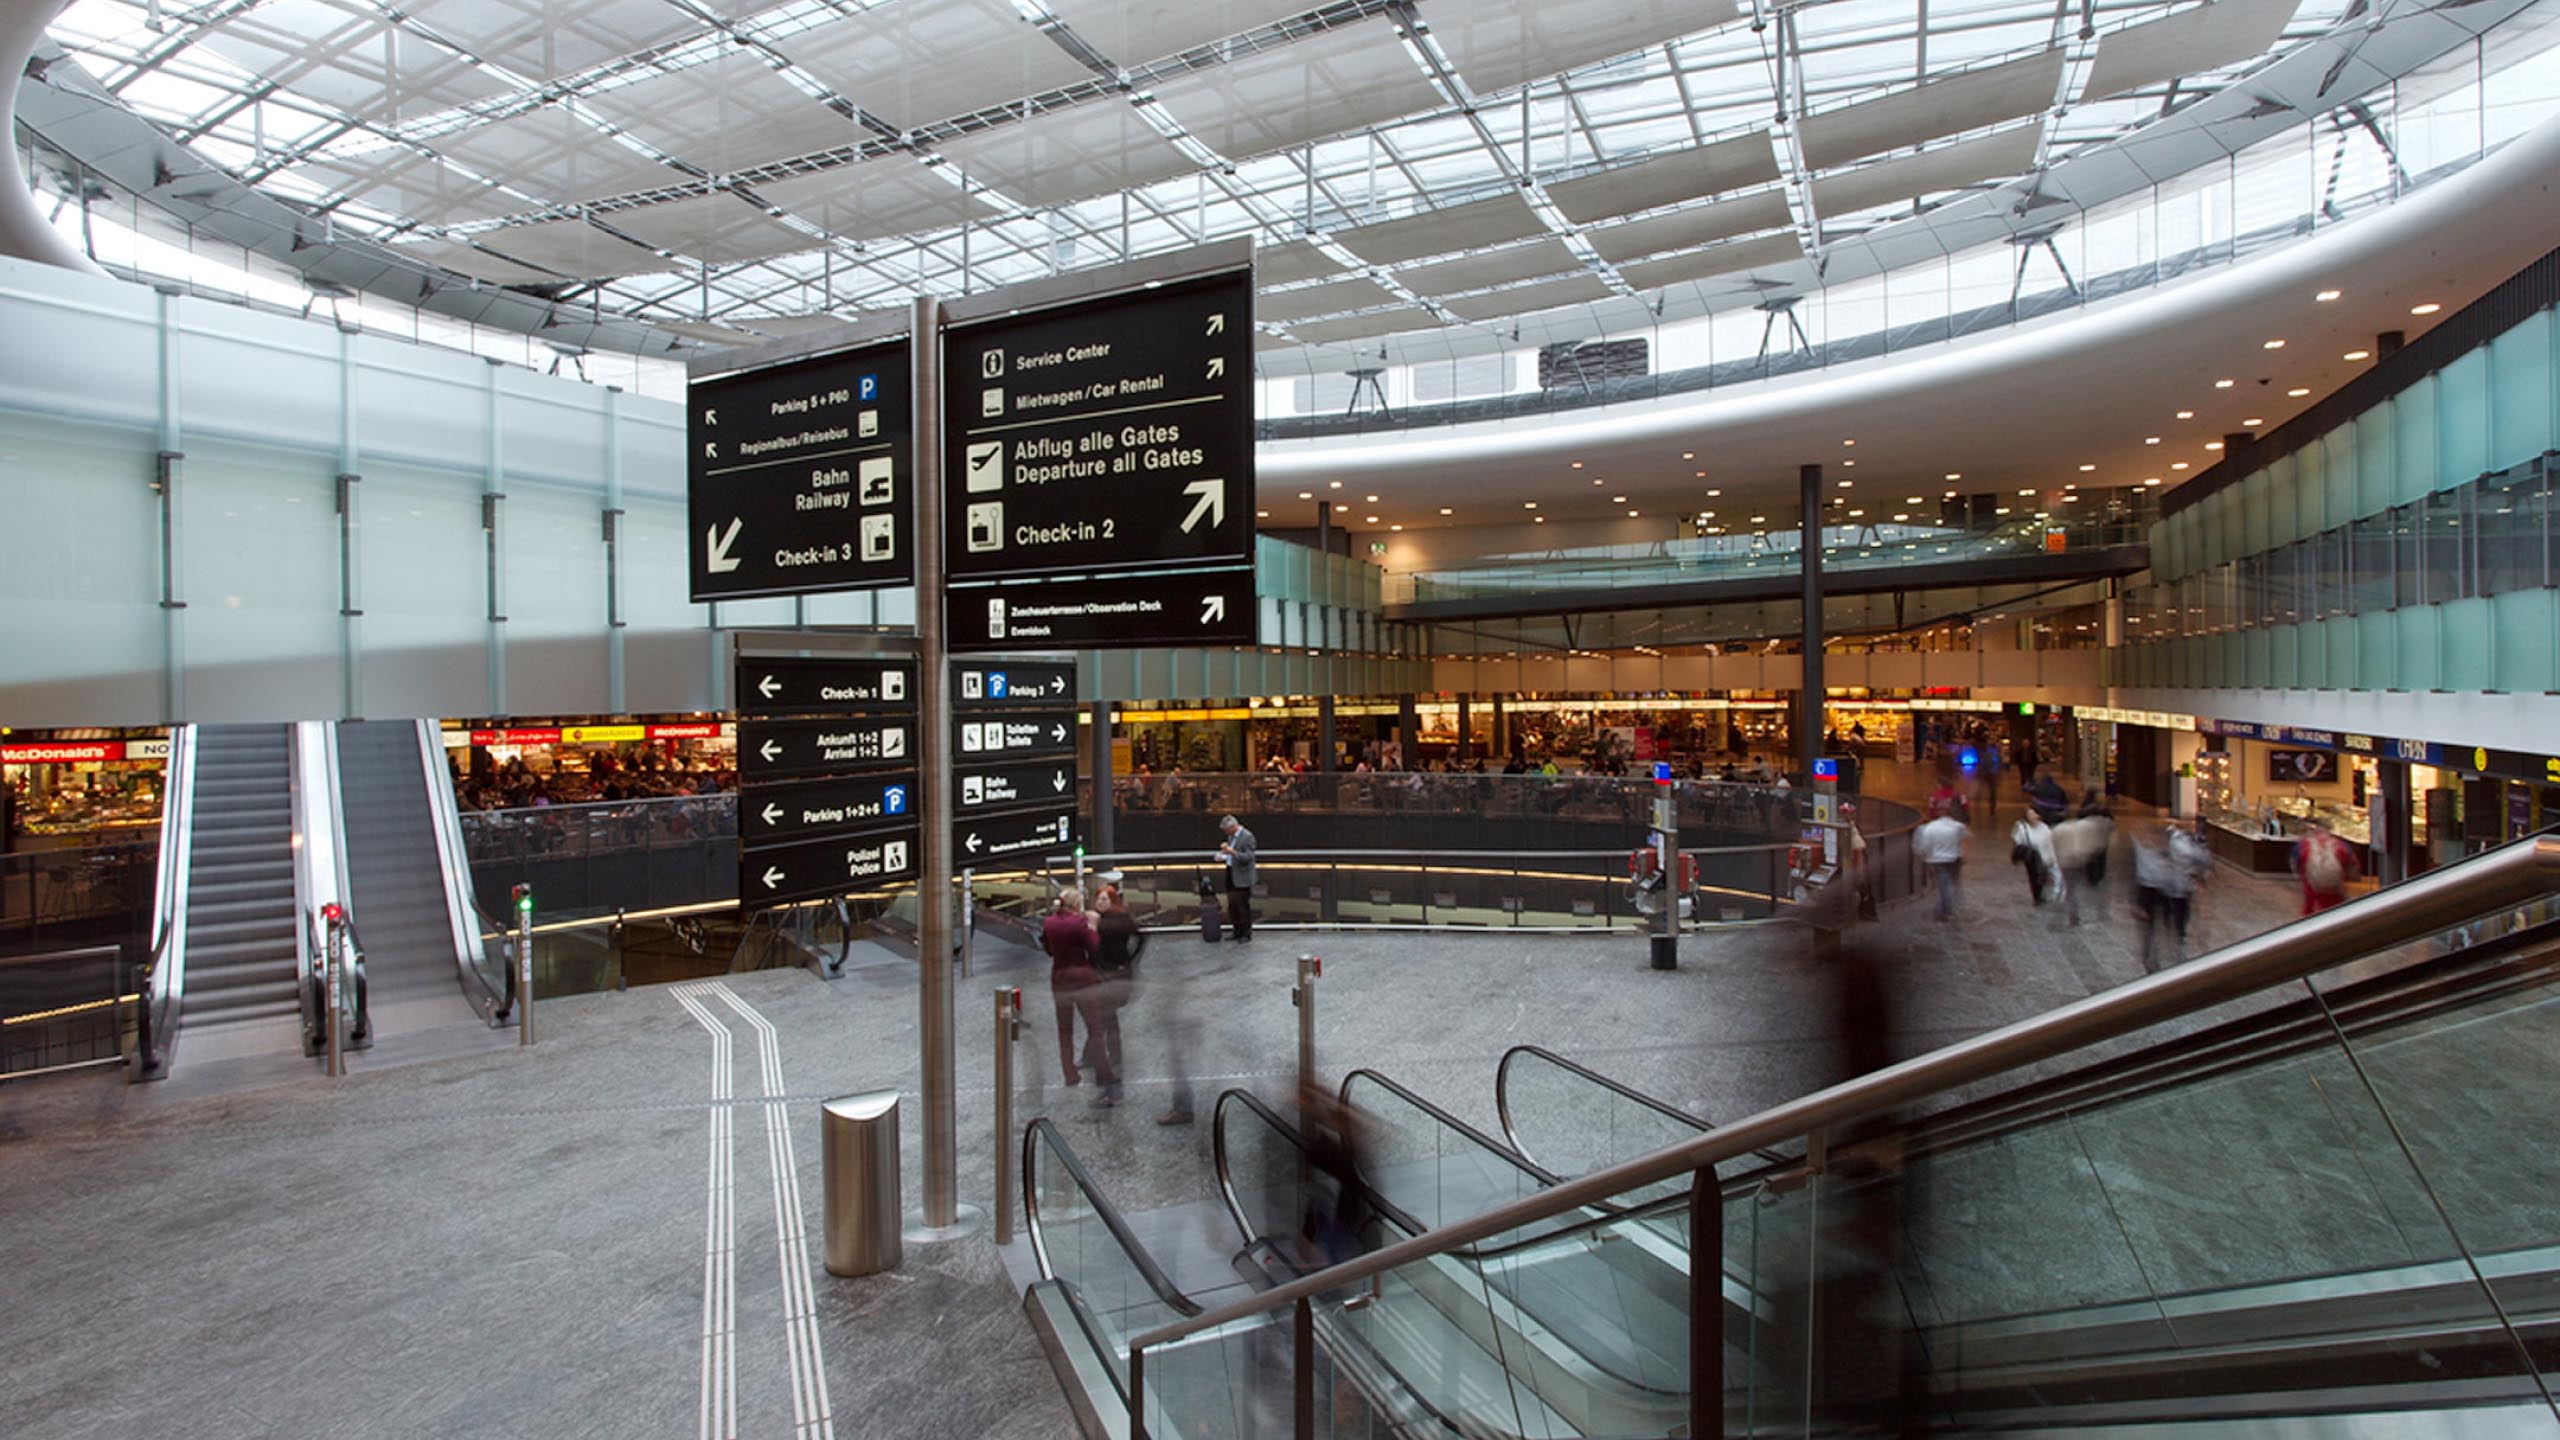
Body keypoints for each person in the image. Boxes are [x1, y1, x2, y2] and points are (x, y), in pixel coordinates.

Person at [1041, 888, 1118, 1105]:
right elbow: (1094, 947)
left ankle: (1070, 1074)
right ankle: (1104, 1073)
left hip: (1059, 978)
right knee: (1094, 1027)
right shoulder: (1080, 923)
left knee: (1064, 1030)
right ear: (1076, 904)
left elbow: (1049, 950)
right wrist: (1093, 927)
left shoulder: (1049, 923)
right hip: (1082, 978)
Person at [1091, 873, 1143, 1088]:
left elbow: (1138, 938)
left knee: (1106, 1016)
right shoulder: (1106, 919)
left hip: (1112, 973)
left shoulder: (1113, 920)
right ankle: (1101, 1054)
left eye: (1104, 899)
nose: (1100, 902)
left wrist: (1128, 960)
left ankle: (1114, 1056)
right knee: (1103, 1015)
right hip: (1106, 971)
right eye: (1098, 899)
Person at [2049, 798, 2112, 927]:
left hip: (2066, 863)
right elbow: (2092, 845)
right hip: (2080, 860)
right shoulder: (2087, 826)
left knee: (2070, 889)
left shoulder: (2058, 829)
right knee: (2087, 888)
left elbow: (2054, 846)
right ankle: (2096, 913)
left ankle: (2072, 915)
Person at [2291, 817, 2360, 915]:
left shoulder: (2304, 844)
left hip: (2312, 889)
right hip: (2335, 890)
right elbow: (2353, 866)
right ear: (2329, 829)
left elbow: (2295, 865)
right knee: (2336, 911)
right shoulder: (2340, 844)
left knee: (2309, 910)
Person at [1915, 805, 1970, 921]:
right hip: (1954, 858)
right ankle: (1952, 904)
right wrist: (1964, 855)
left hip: (1937, 860)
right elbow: (1964, 841)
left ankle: (1945, 909)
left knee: (1942, 885)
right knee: (1953, 882)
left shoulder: (1930, 828)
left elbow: (1924, 846)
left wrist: (1925, 857)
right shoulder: (1958, 826)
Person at [1216, 814, 1257, 942]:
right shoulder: (1231, 837)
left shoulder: (1247, 836)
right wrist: (1223, 856)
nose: (1226, 833)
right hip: (1231, 872)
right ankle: (1237, 931)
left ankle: (1246, 933)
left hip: (1242, 876)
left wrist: (1232, 852)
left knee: (1243, 905)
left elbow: (1248, 857)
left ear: (1233, 827)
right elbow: (1230, 855)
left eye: (1227, 830)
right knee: (1233, 905)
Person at [2012, 808, 2062, 907]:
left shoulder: (2044, 828)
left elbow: (2050, 843)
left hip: (2046, 856)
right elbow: (2018, 842)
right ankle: (2038, 897)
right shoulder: (2022, 828)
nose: (2032, 816)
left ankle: (2054, 895)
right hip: (2032, 858)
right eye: (2029, 814)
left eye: (2033, 814)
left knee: (2053, 876)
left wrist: (2053, 856)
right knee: (2035, 878)